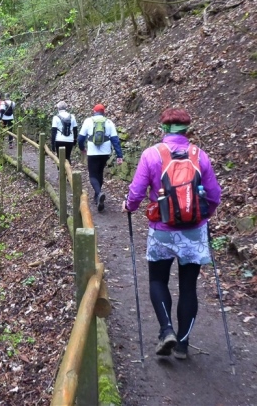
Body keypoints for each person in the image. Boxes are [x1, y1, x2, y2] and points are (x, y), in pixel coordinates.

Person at [122, 108, 222, 359]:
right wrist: (204, 216)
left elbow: (136, 192)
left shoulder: (151, 154)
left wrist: (129, 206)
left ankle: (166, 330)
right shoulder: (200, 155)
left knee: (157, 281)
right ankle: (183, 345)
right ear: (187, 129)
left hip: (162, 230)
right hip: (193, 231)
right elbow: (214, 195)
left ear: (163, 128)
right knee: (188, 287)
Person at [77, 103, 123, 211]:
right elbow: (115, 140)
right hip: (105, 152)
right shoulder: (109, 122)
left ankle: (98, 193)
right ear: (103, 112)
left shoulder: (88, 121)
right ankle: (97, 197)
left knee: (93, 175)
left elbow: (80, 138)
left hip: (92, 152)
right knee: (100, 172)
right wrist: (119, 155)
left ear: (94, 111)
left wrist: (82, 148)